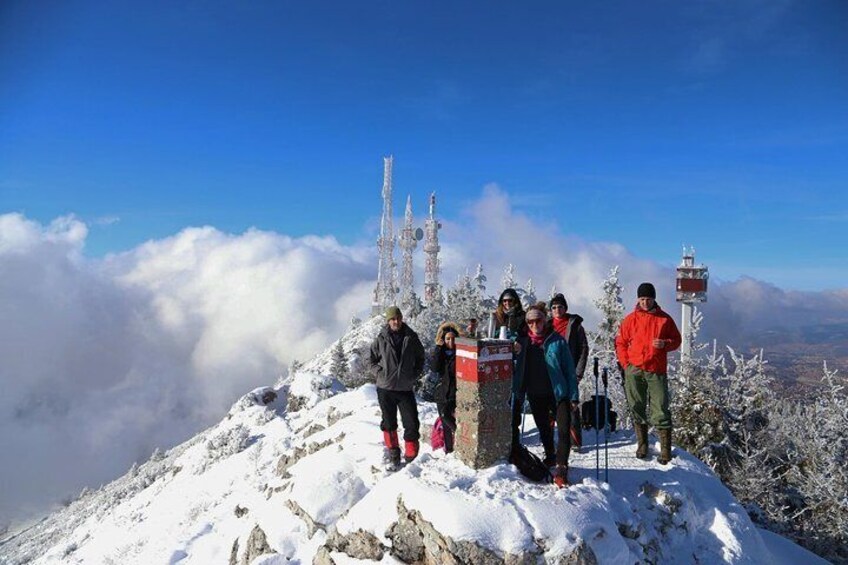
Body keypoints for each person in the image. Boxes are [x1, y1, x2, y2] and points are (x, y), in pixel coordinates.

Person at [511, 303, 580, 487]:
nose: (535, 324)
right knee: (543, 428)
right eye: (530, 321)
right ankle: (550, 455)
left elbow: (569, 370)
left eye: (538, 320)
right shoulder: (522, 342)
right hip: (535, 392)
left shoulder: (557, 341)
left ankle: (562, 467)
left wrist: (574, 396)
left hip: (558, 393)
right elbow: (510, 357)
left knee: (564, 429)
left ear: (545, 320)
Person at [615, 283, 681, 465]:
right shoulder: (630, 320)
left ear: (654, 299)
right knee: (636, 405)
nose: (645, 302)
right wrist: (626, 364)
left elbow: (677, 340)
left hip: (656, 369)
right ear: (638, 299)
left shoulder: (664, 319)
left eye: (649, 299)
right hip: (634, 369)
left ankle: (665, 449)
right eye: (642, 299)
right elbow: (620, 342)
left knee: (660, 407)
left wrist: (665, 344)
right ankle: (642, 444)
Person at [369, 306, 426, 468]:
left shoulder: (411, 337)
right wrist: (380, 373)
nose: (396, 321)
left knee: (411, 423)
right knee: (388, 423)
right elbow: (371, 360)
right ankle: (394, 453)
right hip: (385, 388)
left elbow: (421, 358)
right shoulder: (381, 338)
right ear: (388, 321)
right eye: (393, 319)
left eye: (398, 318)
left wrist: (413, 375)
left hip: (405, 389)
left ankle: (411, 457)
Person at [549, 293, 589, 451]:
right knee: (550, 406)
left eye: (560, 307)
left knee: (571, 405)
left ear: (565, 308)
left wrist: (578, 372)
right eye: (553, 307)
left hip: (569, 372)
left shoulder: (575, 325)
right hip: (551, 371)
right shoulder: (546, 325)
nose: (557, 310)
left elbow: (583, 349)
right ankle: (548, 439)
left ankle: (575, 441)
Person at [432, 322, 462, 453]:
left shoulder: (460, 353)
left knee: (446, 415)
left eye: (453, 338)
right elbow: (435, 368)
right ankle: (449, 450)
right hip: (442, 392)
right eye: (448, 339)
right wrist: (438, 348)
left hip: (454, 392)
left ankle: (461, 437)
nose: (451, 341)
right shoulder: (441, 352)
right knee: (445, 424)